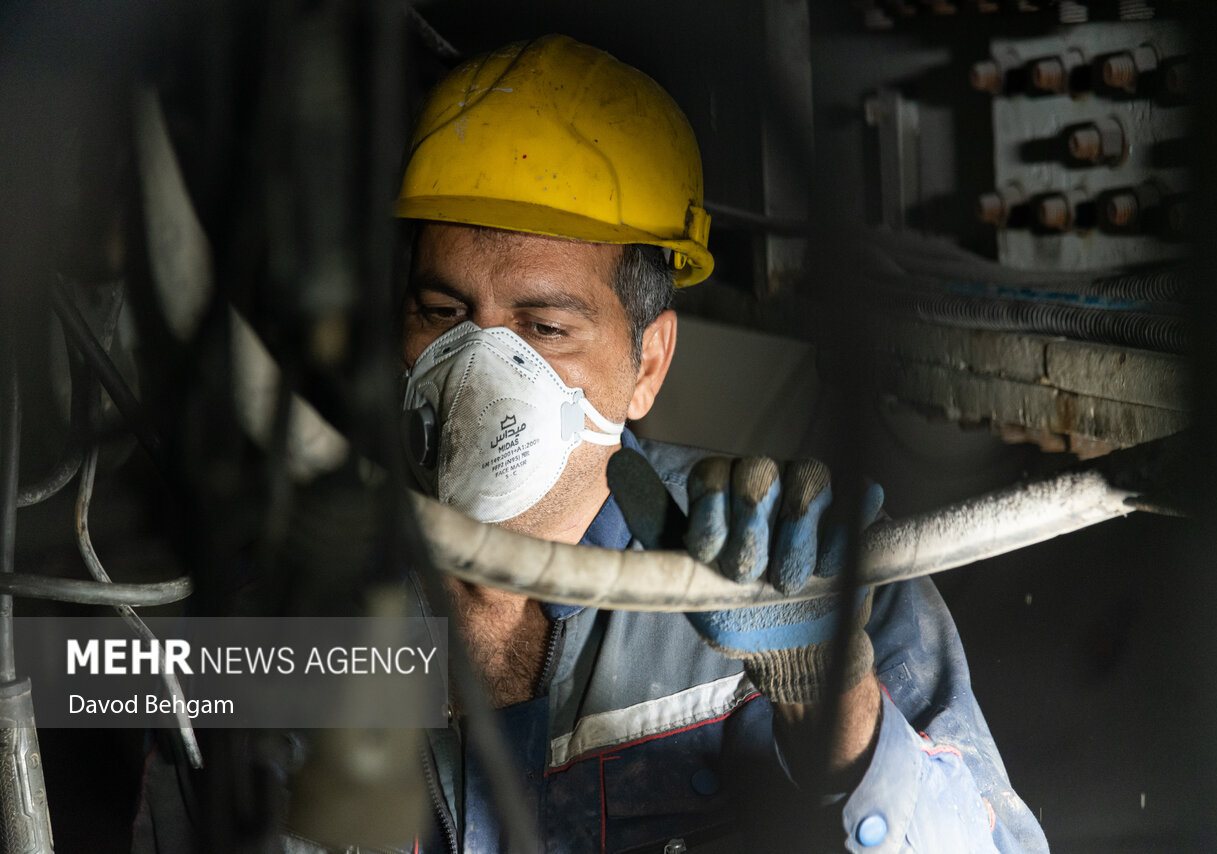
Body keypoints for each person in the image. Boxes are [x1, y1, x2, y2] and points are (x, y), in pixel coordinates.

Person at [134, 34, 1049, 854]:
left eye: (544, 327)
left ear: (648, 362)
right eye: (444, 313)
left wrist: (830, 698)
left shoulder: (816, 580)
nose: (478, 372)